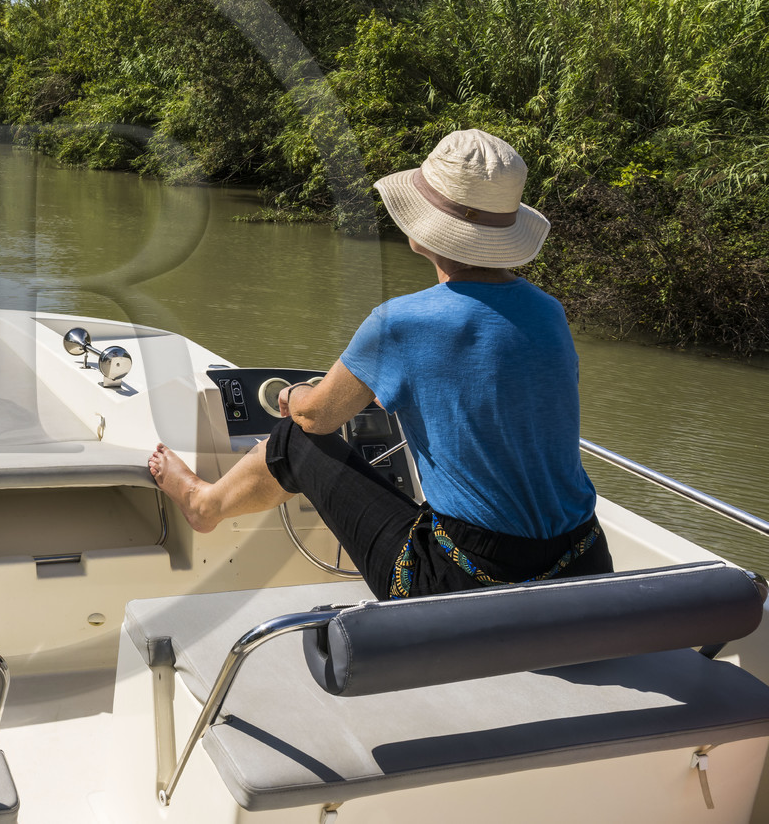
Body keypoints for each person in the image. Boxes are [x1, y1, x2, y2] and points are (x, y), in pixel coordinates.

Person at [148, 128, 612, 600]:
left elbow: (316, 417)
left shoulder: (402, 323)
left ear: (423, 226)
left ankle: (203, 505)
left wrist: (293, 396)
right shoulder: (549, 312)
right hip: (585, 561)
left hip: (467, 577)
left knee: (294, 437)